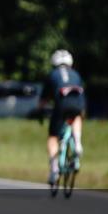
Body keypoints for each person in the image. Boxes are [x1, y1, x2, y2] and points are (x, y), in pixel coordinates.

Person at [40, 49, 86, 186]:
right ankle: (77, 142)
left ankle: (54, 169)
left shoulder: (52, 75)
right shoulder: (76, 74)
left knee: (53, 136)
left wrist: (40, 111)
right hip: (78, 102)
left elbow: (43, 101)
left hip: (61, 103)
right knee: (77, 116)